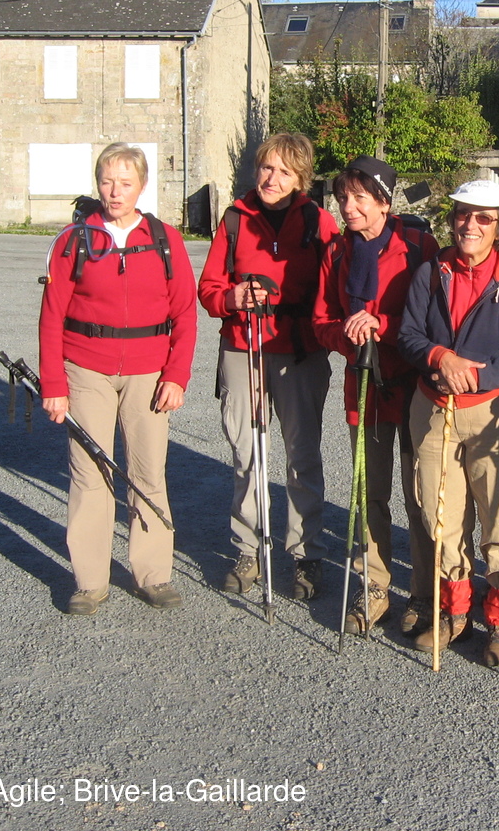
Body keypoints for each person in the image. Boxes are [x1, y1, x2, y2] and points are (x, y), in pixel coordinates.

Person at [39, 142, 197, 615]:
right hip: (86, 368)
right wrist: (53, 384)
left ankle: (153, 574)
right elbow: (52, 314)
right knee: (90, 474)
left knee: (148, 473)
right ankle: (90, 582)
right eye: (107, 181)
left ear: (141, 186)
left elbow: (185, 314)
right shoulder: (74, 240)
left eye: (125, 183)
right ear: (98, 183)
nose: (115, 191)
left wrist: (176, 376)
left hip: (149, 372)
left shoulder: (165, 239)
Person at [398, 180, 499, 667]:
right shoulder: (431, 272)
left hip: (495, 411)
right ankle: (455, 614)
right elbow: (408, 335)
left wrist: (474, 375)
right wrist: (441, 357)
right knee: (442, 520)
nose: (469, 225)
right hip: (434, 408)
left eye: (483, 217)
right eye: (462, 214)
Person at [198, 134, 339, 601]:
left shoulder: (317, 221)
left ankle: (306, 552)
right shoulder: (235, 219)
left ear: (301, 179)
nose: (271, 178)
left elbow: (336, 285)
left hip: (299, 352)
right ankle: (248, 548)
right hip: (244, 347)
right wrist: (232, 297)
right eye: (266, 167)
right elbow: (208, 289)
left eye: (284, 171)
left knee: (302, 455)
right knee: (247, 453)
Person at [313, 155, 439, 635]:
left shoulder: (418, 246)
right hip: (363, 386)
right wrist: (349, 336)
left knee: (420, 494)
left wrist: (381, 326)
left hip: (414, 387)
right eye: (343, 198)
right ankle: (375, 586)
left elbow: (434, 318)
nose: (348, 207)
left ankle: (425, 592)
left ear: (384, 202)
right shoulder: (337, 252)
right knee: (370, 494)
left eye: (360, 198)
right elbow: (322, 320)